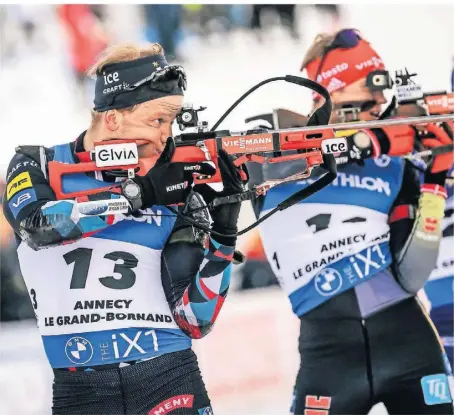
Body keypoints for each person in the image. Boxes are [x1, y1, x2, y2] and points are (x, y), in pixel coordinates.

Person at [3, 42, 245, 414]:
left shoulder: (175, 187)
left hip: (169, 376)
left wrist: (224, 240)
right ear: (113, 119)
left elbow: (195, 320)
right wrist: (139, 194)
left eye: (172, 121)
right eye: (157, 120)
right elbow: (38, 227)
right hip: (81, 390)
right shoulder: (37, 164)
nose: (168, 135)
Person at [246, 29, 454, 414]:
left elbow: (412, 276)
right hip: (329, 355)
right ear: (332, 88)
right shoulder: (271, 151)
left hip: (410, 343)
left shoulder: (394, 162)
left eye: (383, 88)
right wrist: (353, 143)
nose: (380, 100)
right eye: (370, 85)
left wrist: (436, 180)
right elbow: (261, 151)